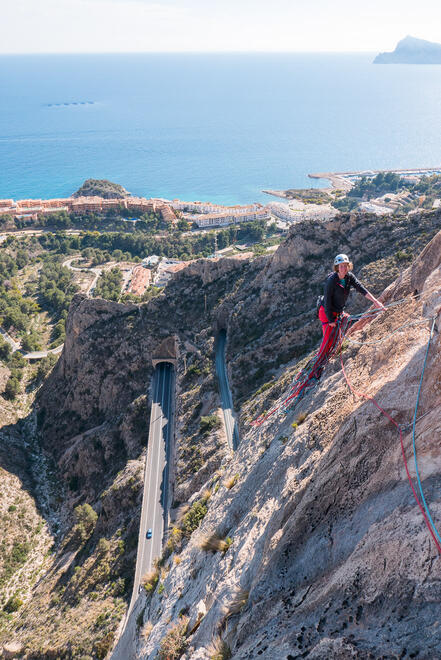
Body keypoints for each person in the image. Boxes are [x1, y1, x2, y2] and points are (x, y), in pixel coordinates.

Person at [318, 253, 386, 357]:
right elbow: (327, 301)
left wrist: (375, 302)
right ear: (337, 268)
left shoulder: (349, 277)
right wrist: (331, 320)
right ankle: (320, 363)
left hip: (337, 311)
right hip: (326, 312)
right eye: (341, 266)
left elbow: (361, 288)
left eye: (346, 266)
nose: (344, 268)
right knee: (328, 340)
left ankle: (332, 355)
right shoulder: (331, 281)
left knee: (338, 334)